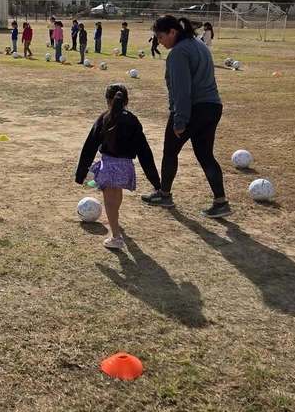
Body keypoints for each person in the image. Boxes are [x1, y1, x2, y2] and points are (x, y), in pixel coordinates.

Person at [141, 15, 230, 218]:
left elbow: (182, 90)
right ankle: (221, 201)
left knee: (170, 151)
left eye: (161, 37)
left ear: (173, 32)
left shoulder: (178, 53)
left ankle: (164, 194)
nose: (160, 42)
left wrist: (180, 119)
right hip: (212, 107)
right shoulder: (199, 45)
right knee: (205, 155)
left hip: (192, 109)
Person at [75, 83, 162, 249]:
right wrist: (156, 181)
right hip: (126, 167)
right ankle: (115, 223)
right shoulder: (132, 120)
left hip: (109, 166)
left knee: (109, 202)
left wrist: (81, 174)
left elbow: (90, 146)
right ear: (126, 101)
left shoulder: (104, 118)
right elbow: (145, 151)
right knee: (116, 197)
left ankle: (115, 236)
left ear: (108, 100)